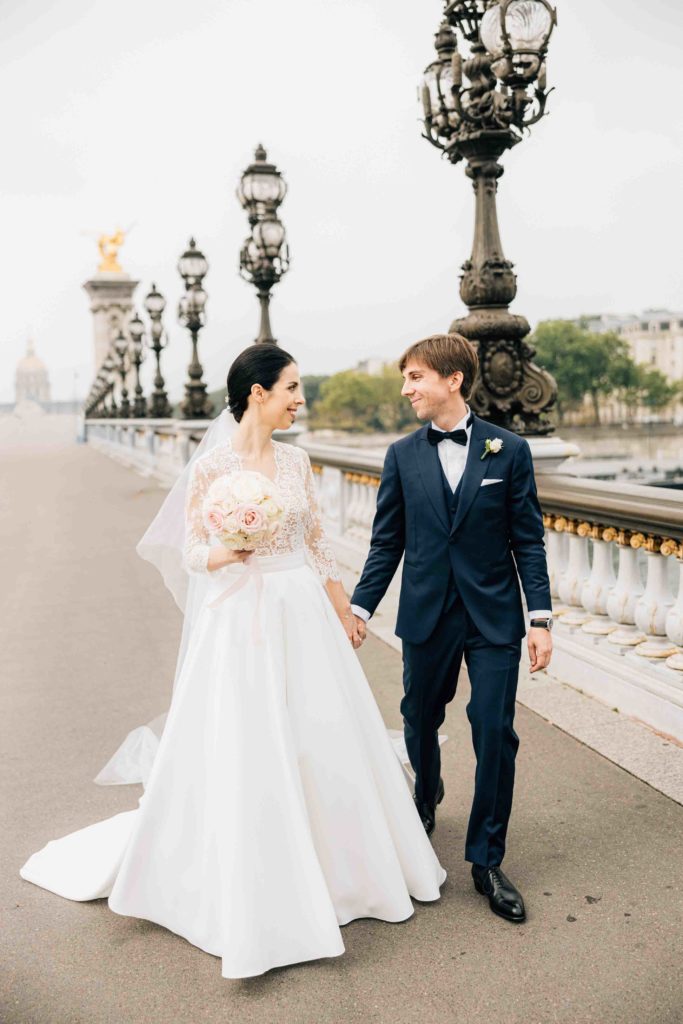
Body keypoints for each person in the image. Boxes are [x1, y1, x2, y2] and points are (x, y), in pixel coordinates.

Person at [19, 344, 445, 980]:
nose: (302, 399)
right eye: (293, 388)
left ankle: (343, 871)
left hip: (301, 610)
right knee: (249, 739)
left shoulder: (299, 463)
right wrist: (230, 550)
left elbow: (317, 547)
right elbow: (193, 549)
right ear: (257, 394)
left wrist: (346, 612)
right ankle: (260, 877)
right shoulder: (212, 467)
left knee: (321, 734)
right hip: (241, 614)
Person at [350, 333, 553, 924]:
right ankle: (426, 791)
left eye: (415, 377)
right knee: (419, 715)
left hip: (493, 617)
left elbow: (528, 541)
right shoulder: (401, 456)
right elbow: (387, 542)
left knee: (495, 728)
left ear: (452, 380)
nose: (407, 389)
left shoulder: (508, 450)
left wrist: (538, 618)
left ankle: (487, 859)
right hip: (427, 612)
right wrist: (359, 610)